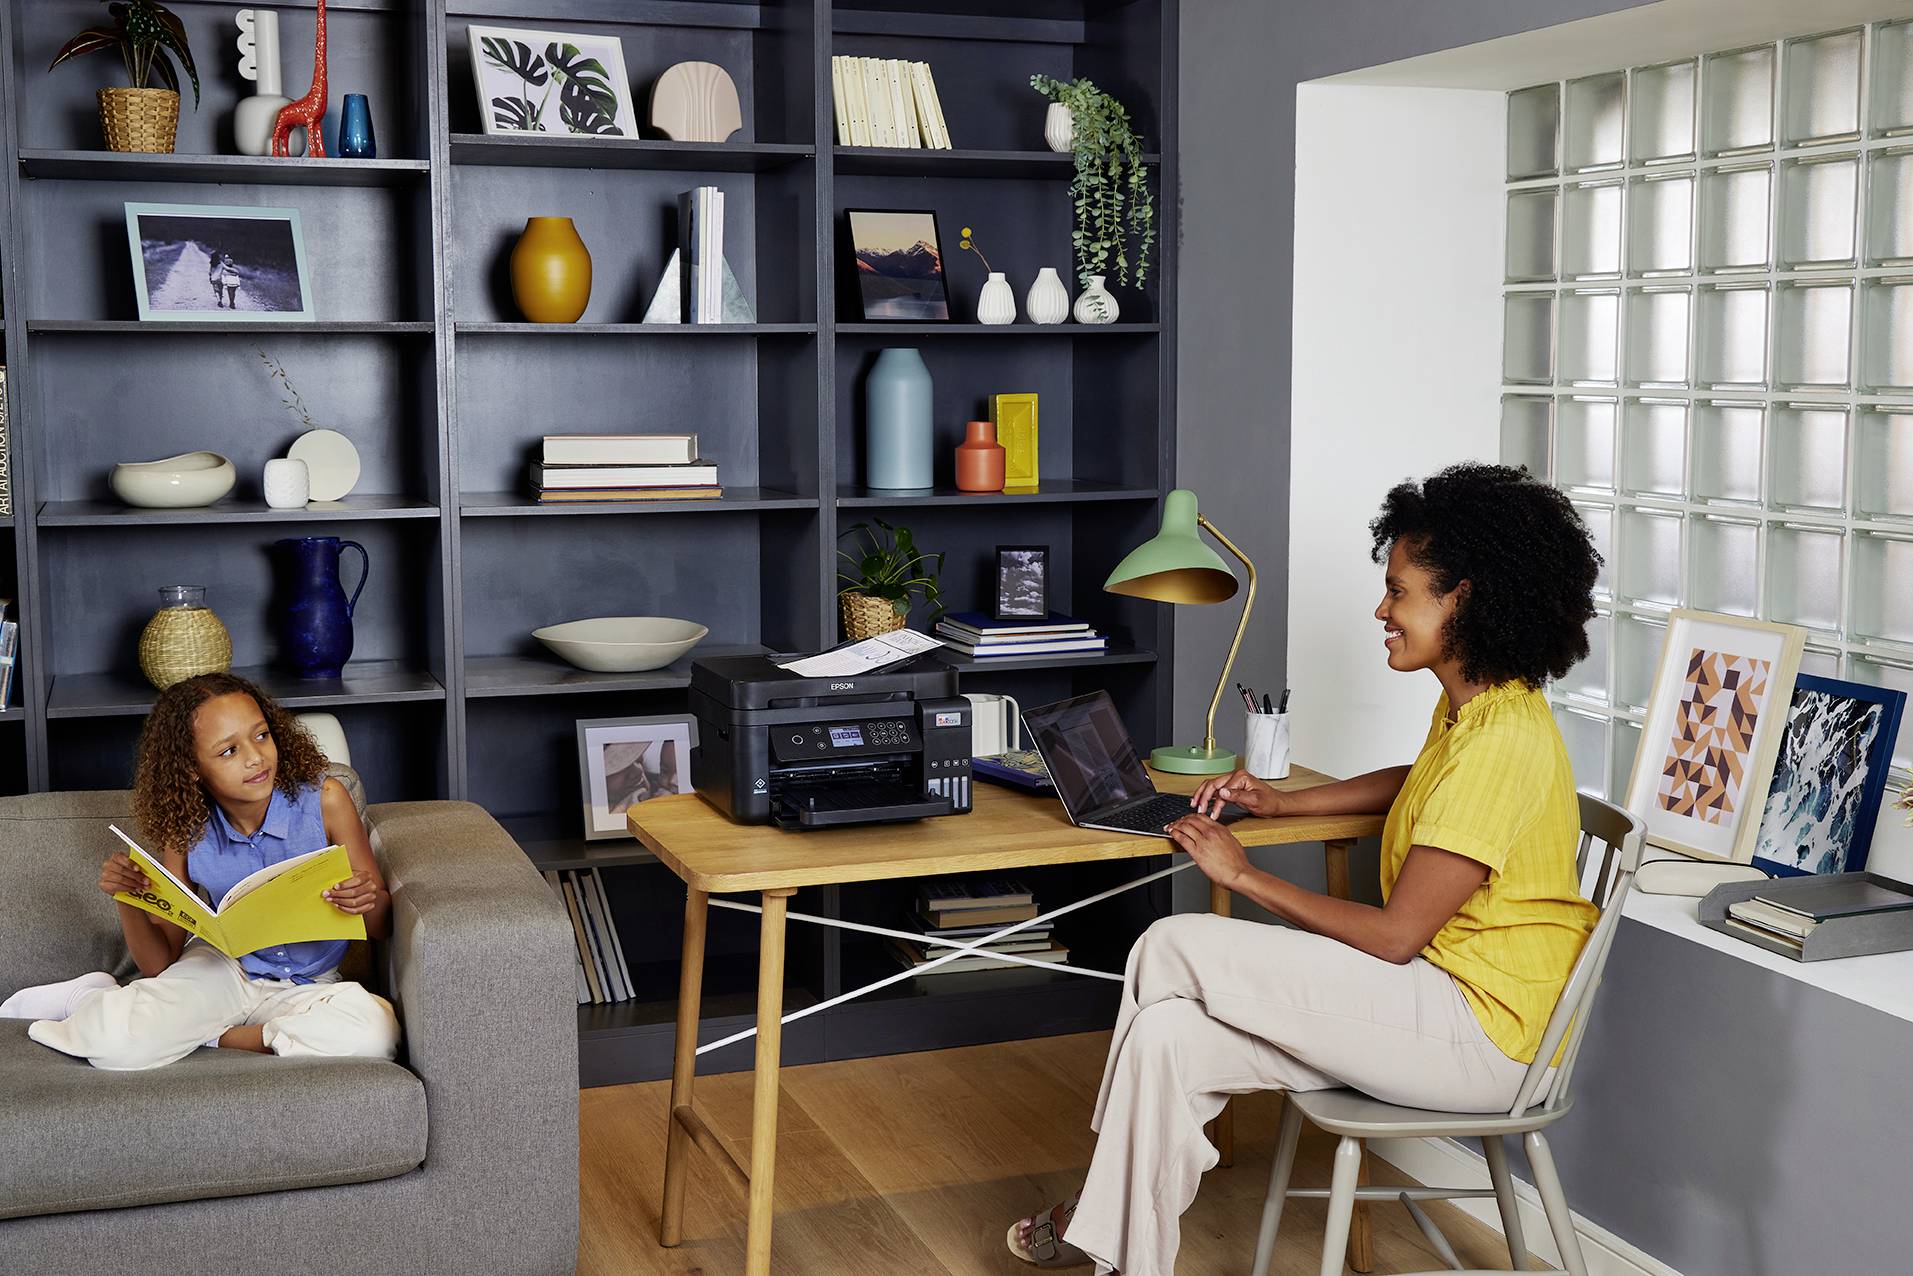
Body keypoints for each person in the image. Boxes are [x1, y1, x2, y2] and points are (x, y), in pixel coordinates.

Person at [1006, 462, 1604, 1274]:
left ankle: (1094, 1212)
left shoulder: (1501, 742)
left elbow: (1394, 938)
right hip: (1432, 1002)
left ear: (1460, 598)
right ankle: (1123, 1255)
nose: (1381, 609)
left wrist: (1241, 874)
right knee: (1168, 1039)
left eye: (1398, 592)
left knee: (1168, 945)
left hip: (1481, 1038)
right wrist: (1286, 804)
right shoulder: (1484, 706)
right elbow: (1421, 780)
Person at [0, 672, 400, 1070]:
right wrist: (128, 901)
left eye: (261, 735)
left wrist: (365, 899)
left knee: (375, 1033)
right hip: (222, 971)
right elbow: (159, 963)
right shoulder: (186, 828)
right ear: (192, 768)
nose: (255, 757)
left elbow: (381, 923)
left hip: (310, 985)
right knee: (116, 1046)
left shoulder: (326, 800)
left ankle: (214, 1035)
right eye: (228, 751)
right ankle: (88, 998)